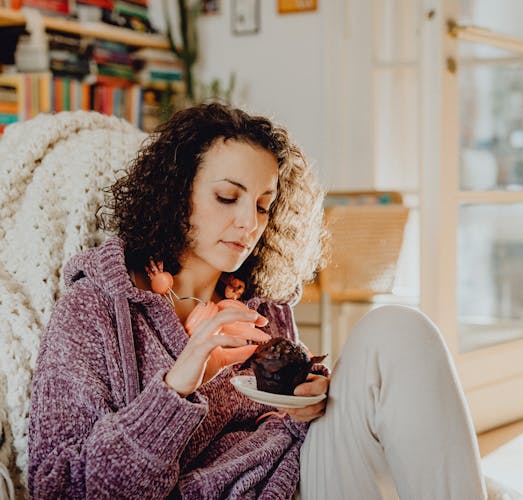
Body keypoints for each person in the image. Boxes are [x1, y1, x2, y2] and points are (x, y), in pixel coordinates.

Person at [28, 103, 487, 499]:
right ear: (175, 192)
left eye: (264, 205)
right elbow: (61, 489)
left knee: (397, 330)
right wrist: (177, 386)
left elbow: (283, 417)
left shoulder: (259, 301)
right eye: (227, 197)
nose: (249, 222)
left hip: (300, 473)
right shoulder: (93, 309)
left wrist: (308, 401)